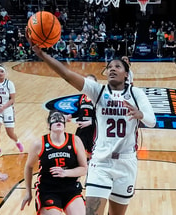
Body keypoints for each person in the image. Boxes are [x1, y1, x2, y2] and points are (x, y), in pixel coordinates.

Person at [26, 33, 156, 215]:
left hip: (126, 163)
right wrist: (42, 55)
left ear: (126, 74)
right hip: (101, 163)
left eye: (117, 66)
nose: (112, 69)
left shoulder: (136, 94)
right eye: (109, 66)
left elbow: (152, 121)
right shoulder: (98, 91)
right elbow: (66, 74)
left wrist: (140, 114)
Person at [21, 110, 88, 215]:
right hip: (48, 190)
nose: (58, 121)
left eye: (61, 119)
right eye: (54, 119)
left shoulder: (75, 140)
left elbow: (84, 168)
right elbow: (29, 167)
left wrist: (65, 173)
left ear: (65, 125)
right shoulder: (39, 143)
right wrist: (28, 192)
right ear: (48, 125)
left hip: (71, 188)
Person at [0, 65, 23, 159]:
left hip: (8, 109)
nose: (0, 73)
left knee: (10, 133)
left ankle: (17, 141)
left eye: (1, 71)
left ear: (5, 73)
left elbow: (12, 100)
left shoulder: (9, 84)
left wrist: (4, 107)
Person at [69, 74, 97, 160]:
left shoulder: (97, 98)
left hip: (93, 129)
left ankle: (91, 167)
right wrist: (70, 115)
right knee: (76, 149)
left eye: (91, 82)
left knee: (92, 153)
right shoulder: (82, 97)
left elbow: (101, 117)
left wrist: (89, 122)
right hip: (82, 129)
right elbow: (79, 111)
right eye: (87, 82)